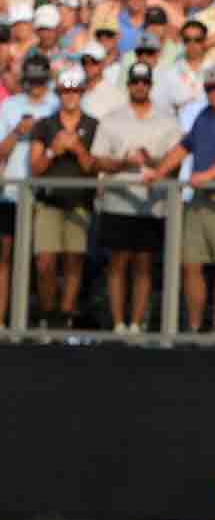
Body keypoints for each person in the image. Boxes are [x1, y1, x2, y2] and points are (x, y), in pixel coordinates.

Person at [147, 63, 215, 332]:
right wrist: (158, 172)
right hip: (200, 197)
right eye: (210, 88)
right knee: (191, 263)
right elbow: (185, 147)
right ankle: (194, 327)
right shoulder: (204, 114)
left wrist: (208, 175)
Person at [91, 60, 183, 333]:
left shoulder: (167, 120)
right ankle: (119, 322)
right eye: (135, 82)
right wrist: (123, 163)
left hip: (152, 204)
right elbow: (97, 161)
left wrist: (151, 160)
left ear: (151, 86)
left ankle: (136, 323)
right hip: (117, 201)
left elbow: (175, 162)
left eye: (145, 82)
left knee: (144, 263)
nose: (140, 86)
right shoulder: (112, 118)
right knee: (118, 262)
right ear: (129, 85)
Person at [29, 67, 98, 329]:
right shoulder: (44, 125)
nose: (70, 96)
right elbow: (35, 167)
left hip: (80, 202)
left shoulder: (92, 125)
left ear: (82, 93)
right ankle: (48, 315)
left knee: (73, 260)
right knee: (45, 262)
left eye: (75, 91)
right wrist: (52, 151)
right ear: (59, 93)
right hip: (49, 201)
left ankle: (67, 316)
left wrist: (79, 150)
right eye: (66, 91)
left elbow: (95, 166)